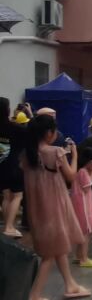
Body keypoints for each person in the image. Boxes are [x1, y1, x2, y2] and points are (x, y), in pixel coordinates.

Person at [21, 114, 91, 299]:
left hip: (36, 209)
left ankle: (71, 285)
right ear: (48, 133)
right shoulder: (55, 152)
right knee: (50, 254)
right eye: (54, 130)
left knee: (58, 248)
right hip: (54, 206)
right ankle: (35, 294)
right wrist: (74, 155)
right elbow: (71, 176)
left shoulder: (27, 154)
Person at [0, 98, 28, 238]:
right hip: (15, 165)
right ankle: (9, 227)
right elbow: (32, 132)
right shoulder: (15, 128)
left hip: (2, 166)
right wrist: (28, 113)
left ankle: (7, 224)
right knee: (17, 195)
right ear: (7, 110)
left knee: (6, 196)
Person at [71, 147, 92, 268]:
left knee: (82, 232)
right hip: (83, 206)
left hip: (80, 204)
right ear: (91, 162)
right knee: (86, 233)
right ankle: (84, 259)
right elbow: (87, 187)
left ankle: (78, 256)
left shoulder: (79, 171)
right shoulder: (83, 172)